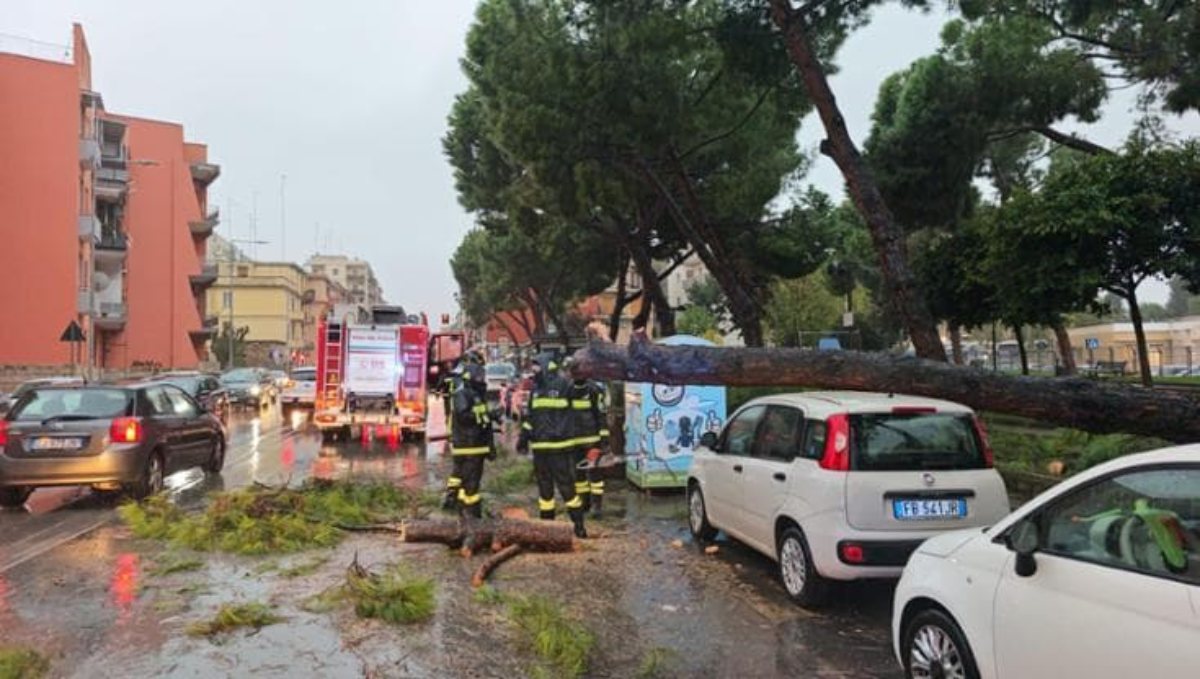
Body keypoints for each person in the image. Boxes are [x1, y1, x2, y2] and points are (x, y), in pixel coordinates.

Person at [519, 353, 587, 538]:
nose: (533, 370)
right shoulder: (536, 389)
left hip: (560, 447)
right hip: (540, 448)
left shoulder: (564, 384)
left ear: (546, 365)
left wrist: (580, 373)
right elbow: (530, 418)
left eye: (536, 366)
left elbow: (580, 393)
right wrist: (523, 439)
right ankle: (547, 528)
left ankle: (579, 526)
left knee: (567, 488)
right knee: (544, 490)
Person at [442, 360, 496, 517]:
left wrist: (490, 446)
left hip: (476, 445)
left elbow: (482, 423)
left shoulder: (476, 393)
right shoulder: (462, 393)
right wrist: (488, 415)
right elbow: (464, 416)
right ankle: (473, 515)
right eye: (479, 376)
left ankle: (460, 508)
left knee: (465, 479)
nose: (482, 379)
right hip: (468, 445)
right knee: (471, 484)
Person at [565, 363, 605, 517]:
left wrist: (604, 439)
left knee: (595, 474)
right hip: (575, 441)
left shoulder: (594, 390)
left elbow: (600, 415)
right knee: (579, 475)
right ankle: (585, 504)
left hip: (592, 441)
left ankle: (597, 507)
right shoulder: (567, 390)